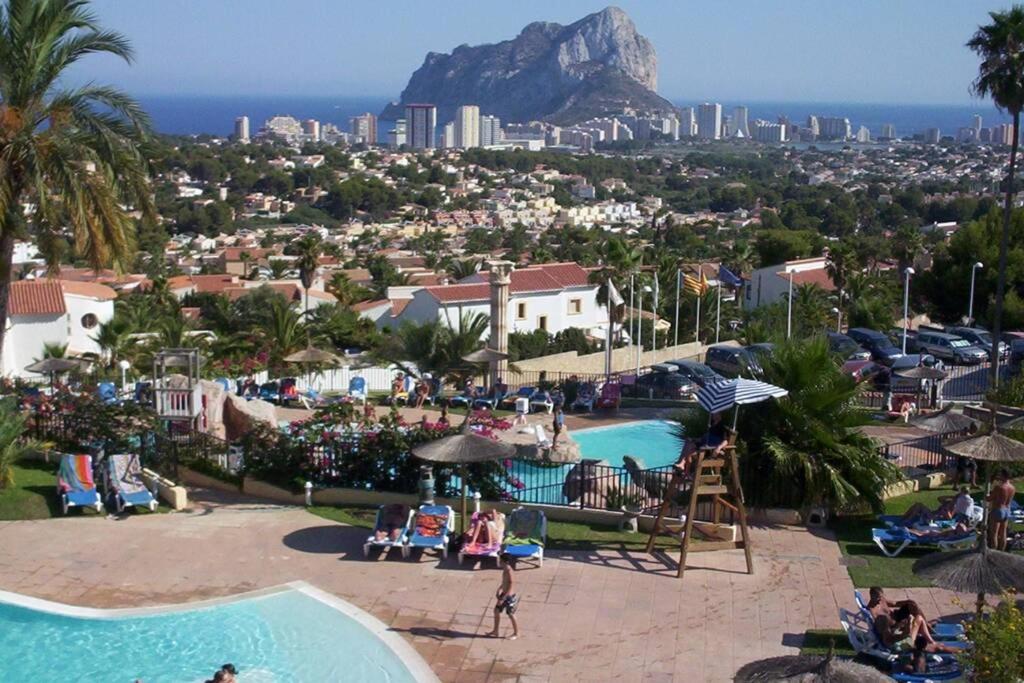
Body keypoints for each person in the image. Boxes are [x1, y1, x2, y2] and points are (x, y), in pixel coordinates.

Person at [867, 587, 958, 658]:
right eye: (878, 598)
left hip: (898, 630)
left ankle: (931, 637)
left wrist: (909, 602)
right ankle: (965, 653)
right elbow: (887, 639)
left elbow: (894, 604)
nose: (880, 599)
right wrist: (905, 632)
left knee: (915, 611)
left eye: (881, 596)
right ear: (872, 596)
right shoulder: (876, 614)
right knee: (939, 648)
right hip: (899, 641)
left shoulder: (882, 600)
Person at [486, 553, 520, 640]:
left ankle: (516, 633)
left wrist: (504, 598)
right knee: (496, 611)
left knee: (511, 614)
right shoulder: (505, 569)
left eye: (500, 560)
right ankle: (495, 631)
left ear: (504, 561)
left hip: (509, 597)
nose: (499, 562)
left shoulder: (509, 571)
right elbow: (505, 582)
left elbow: (511, 584)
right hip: (504, 594)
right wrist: (500, 588)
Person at [988, 468, 1016, 551]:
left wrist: (987, 494)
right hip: (1007, 510)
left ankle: (994, 551)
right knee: (1003, 532)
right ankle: (1002, 551)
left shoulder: (999, 487)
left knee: (994, 533)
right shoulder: (1012, 488)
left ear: (1003, 475)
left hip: (998, 509)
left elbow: (989, 498)